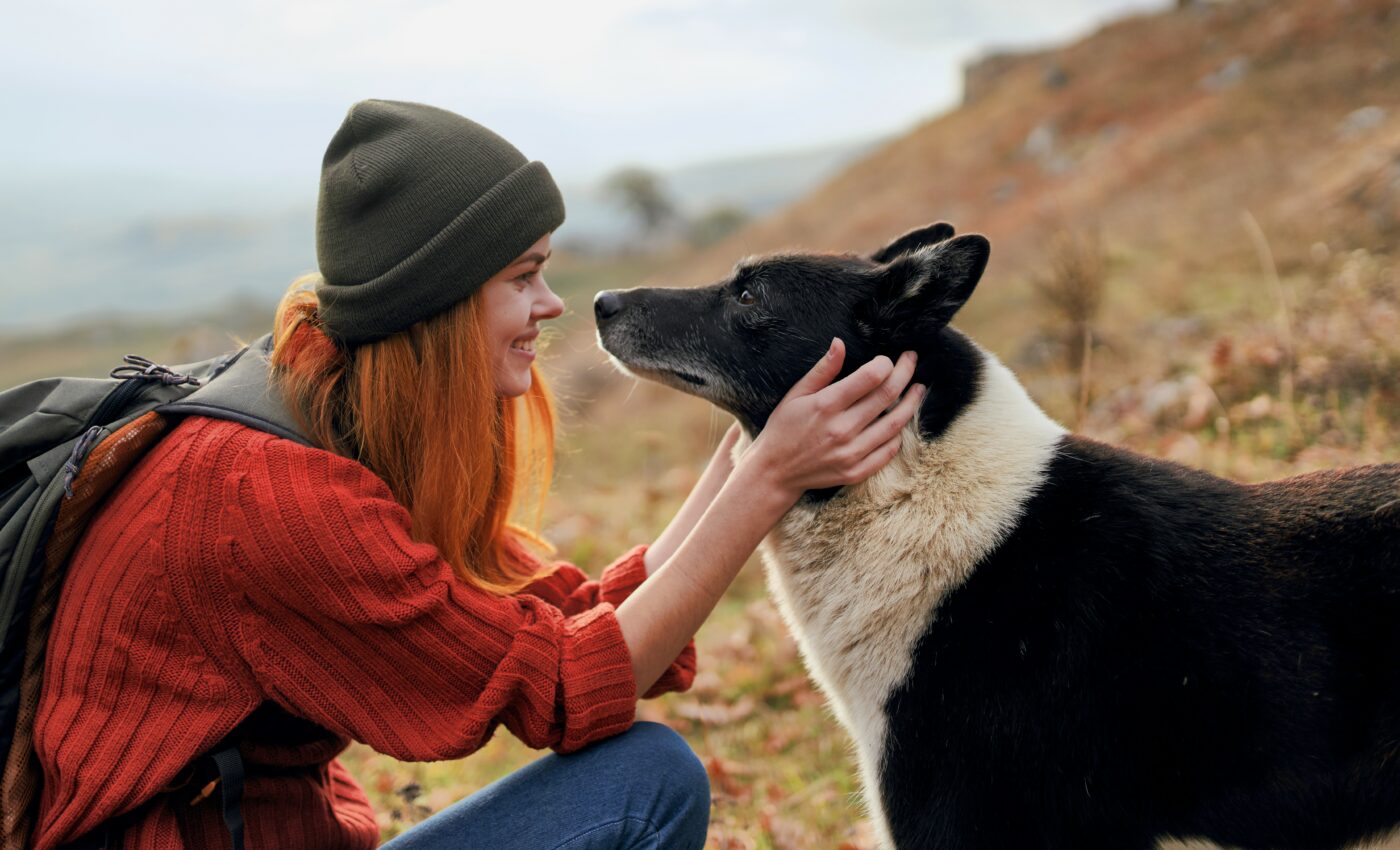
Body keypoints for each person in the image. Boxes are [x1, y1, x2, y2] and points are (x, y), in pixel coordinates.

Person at [31, 99, 923, 850]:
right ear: (442, 299)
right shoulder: (269, 498)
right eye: (524, 277)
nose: (552, 304)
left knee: (647, 771)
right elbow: (571, 688)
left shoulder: (328, 409)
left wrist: (748, 449)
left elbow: (571, 624)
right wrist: (767, 483)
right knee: (646, 783)